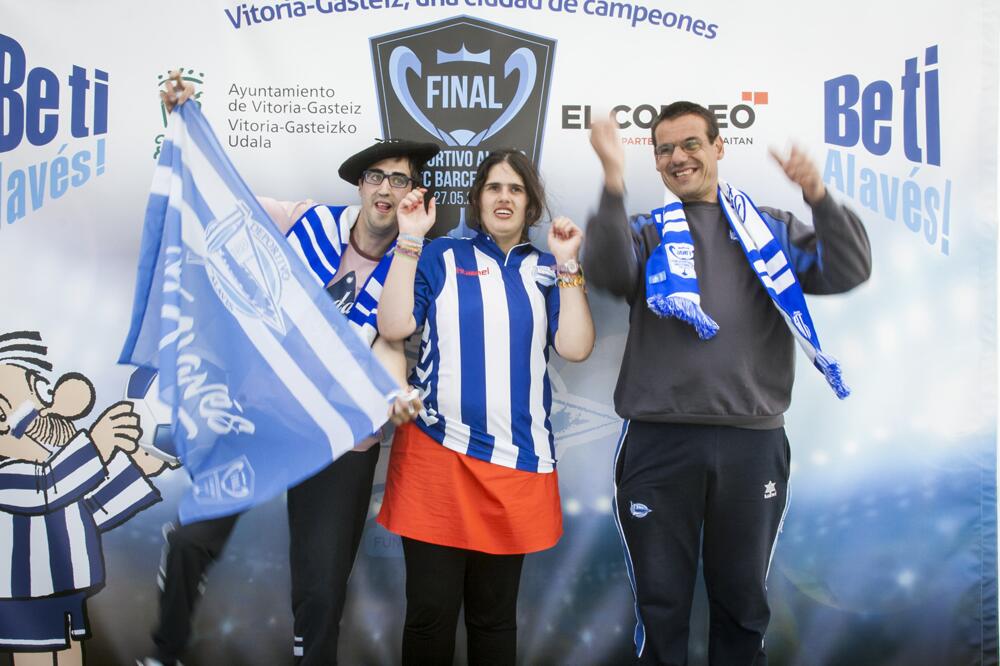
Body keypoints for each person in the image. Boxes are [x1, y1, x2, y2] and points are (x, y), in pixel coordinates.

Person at [142, 75, 431, 666]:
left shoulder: (413, 261)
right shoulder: (306, 221)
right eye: (377, 176)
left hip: (337, 437)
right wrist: (182, 121)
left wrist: (392, 395)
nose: (386, 188)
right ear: (360, 184)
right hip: (260, 417)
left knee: (322, 587)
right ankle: (163, 653)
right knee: (192, 537)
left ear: (414, 195)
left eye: (400, 179)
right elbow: (217, 198)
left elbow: (388, 344)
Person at [584, 102, 872, 665]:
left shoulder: (770, 230)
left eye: (691, 143)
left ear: (719, 147)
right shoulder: (645, 230)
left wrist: (817, 194)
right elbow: (608, 271)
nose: (678, 157)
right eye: (665, 149)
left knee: (742, 607)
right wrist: (613, 180)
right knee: (660, 606)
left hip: (752, 444)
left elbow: (848, 268)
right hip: (659, 444)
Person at [376, 148, 595, 665]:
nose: (504, 197)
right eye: (494, 188)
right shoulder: (440, 256)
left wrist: (568, 265)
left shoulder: (545, 269)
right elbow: (393, 327)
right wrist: (409, 240)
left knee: (493, 620)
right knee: (430, 616)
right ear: (477, 200)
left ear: (530, 204)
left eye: (515, 189)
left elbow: (576, 347)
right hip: (437, 453)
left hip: (515, 464)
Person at [0, 331, 167, 666]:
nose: (41, 415)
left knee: (68, 658)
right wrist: (98, 444)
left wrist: (138, 467)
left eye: (41, 394)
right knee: (40, 659)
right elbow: (47, 487)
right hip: (23, 598)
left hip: (62, 590)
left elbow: (89, 510)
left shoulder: (54, 473)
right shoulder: (8, 476)